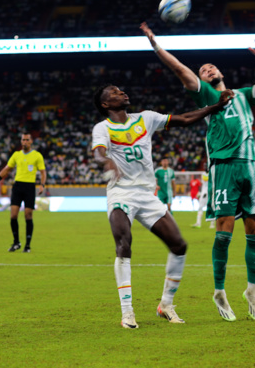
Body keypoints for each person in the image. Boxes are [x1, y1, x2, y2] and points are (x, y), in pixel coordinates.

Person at [141, 22, 255, 322]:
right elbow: (180, 69)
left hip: (251, 167)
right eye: (204, 69)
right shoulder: (206, 95)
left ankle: (252, 289)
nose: (208, 69)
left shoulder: (244, 94)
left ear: (222, 74)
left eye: (211, 67)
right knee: (224, 231)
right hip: (223, 167)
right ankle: (219, 290)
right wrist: (155, 45)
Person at [92, 83, 233, 329]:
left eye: (121, 90)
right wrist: (107, 162)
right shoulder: (102, 128)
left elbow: (185, 118)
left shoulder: (146, 118)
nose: (122, 92)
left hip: (147, 194)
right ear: (105, 104)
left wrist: (215, 106)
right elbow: (99, 152)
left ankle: (165, 305)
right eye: (114, 92)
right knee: (123, 245)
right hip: (120, 193)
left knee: (179, 245)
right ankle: (127, 313)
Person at [0, 133, 46, 253]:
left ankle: (27, 245)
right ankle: (16, 242)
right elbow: (6, 169)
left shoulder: (37, 155)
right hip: (18, 186)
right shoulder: (16, 155)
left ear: (31, 141)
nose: (24, 142)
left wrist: (42, 185)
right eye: (23, 140)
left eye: (27, 140)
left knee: (28, 215)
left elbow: (43, 172)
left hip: (29, 187)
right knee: (13, 215)